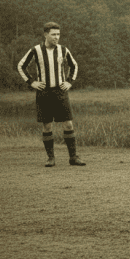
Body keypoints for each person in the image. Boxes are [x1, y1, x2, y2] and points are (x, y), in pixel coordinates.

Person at [17, 22, 85, 167]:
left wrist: (69, 81)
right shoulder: (36, 50)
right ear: (45, 34)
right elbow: (21, 65)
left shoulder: (63, 50)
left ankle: (73, 157)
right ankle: (51, 158)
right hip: (44, 93)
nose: (56, 37)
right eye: (53, 34)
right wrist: (31, 82)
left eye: (58, 34)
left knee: (68, 124)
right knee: (47, 126)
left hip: (60, 92)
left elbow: (74, 65)